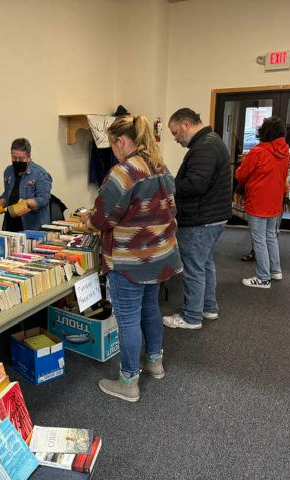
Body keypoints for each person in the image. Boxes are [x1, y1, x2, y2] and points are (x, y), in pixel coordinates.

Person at [80, 115, 182, 402]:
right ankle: (154, 363)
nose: (113, 151)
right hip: (158, 256)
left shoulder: (123, 172)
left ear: (121, 142)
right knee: (151, 310)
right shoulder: (161, 167)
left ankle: (128, 382)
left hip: (129, 261)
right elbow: (168, 209)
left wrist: (87, 220)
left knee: (127, 320)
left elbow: (102, 219)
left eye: (112, 145)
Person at [163, 108, 232, 330]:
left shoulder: (205, 146)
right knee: (204, 265)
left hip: (201, 219)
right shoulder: (210, 142)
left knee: (193, 267)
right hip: (212, 217)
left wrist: (167, 186)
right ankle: (208, 308)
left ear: (185, 124)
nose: (175, 139)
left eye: (175, 132)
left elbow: (195, 184)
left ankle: (191, 317)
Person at [235, 116, 290, 288]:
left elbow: (241, 175)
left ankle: (263, 278)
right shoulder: (285, 152)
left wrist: (241, 164)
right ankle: (275, 270)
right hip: (275, 201)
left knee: (258, 239)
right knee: (271, 236)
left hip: (258, 200)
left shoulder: (258, 152)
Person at [240, 148, 290, 261]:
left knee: (272, 230)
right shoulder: (260, 149)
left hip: (277, 194)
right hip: (263, 193)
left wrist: (288, 178)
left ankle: (267, 257)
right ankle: (258, 253)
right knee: (260, 230)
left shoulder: (283, 150)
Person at [0, 138, 52, 232]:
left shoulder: (40, 173)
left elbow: (44, 199)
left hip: (31, 228)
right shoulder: (8, 171)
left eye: (21, 159)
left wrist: (27, 203)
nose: (17, 161)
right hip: (10, 226)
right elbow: (7, 194)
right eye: (14, 158)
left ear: (29, 157)